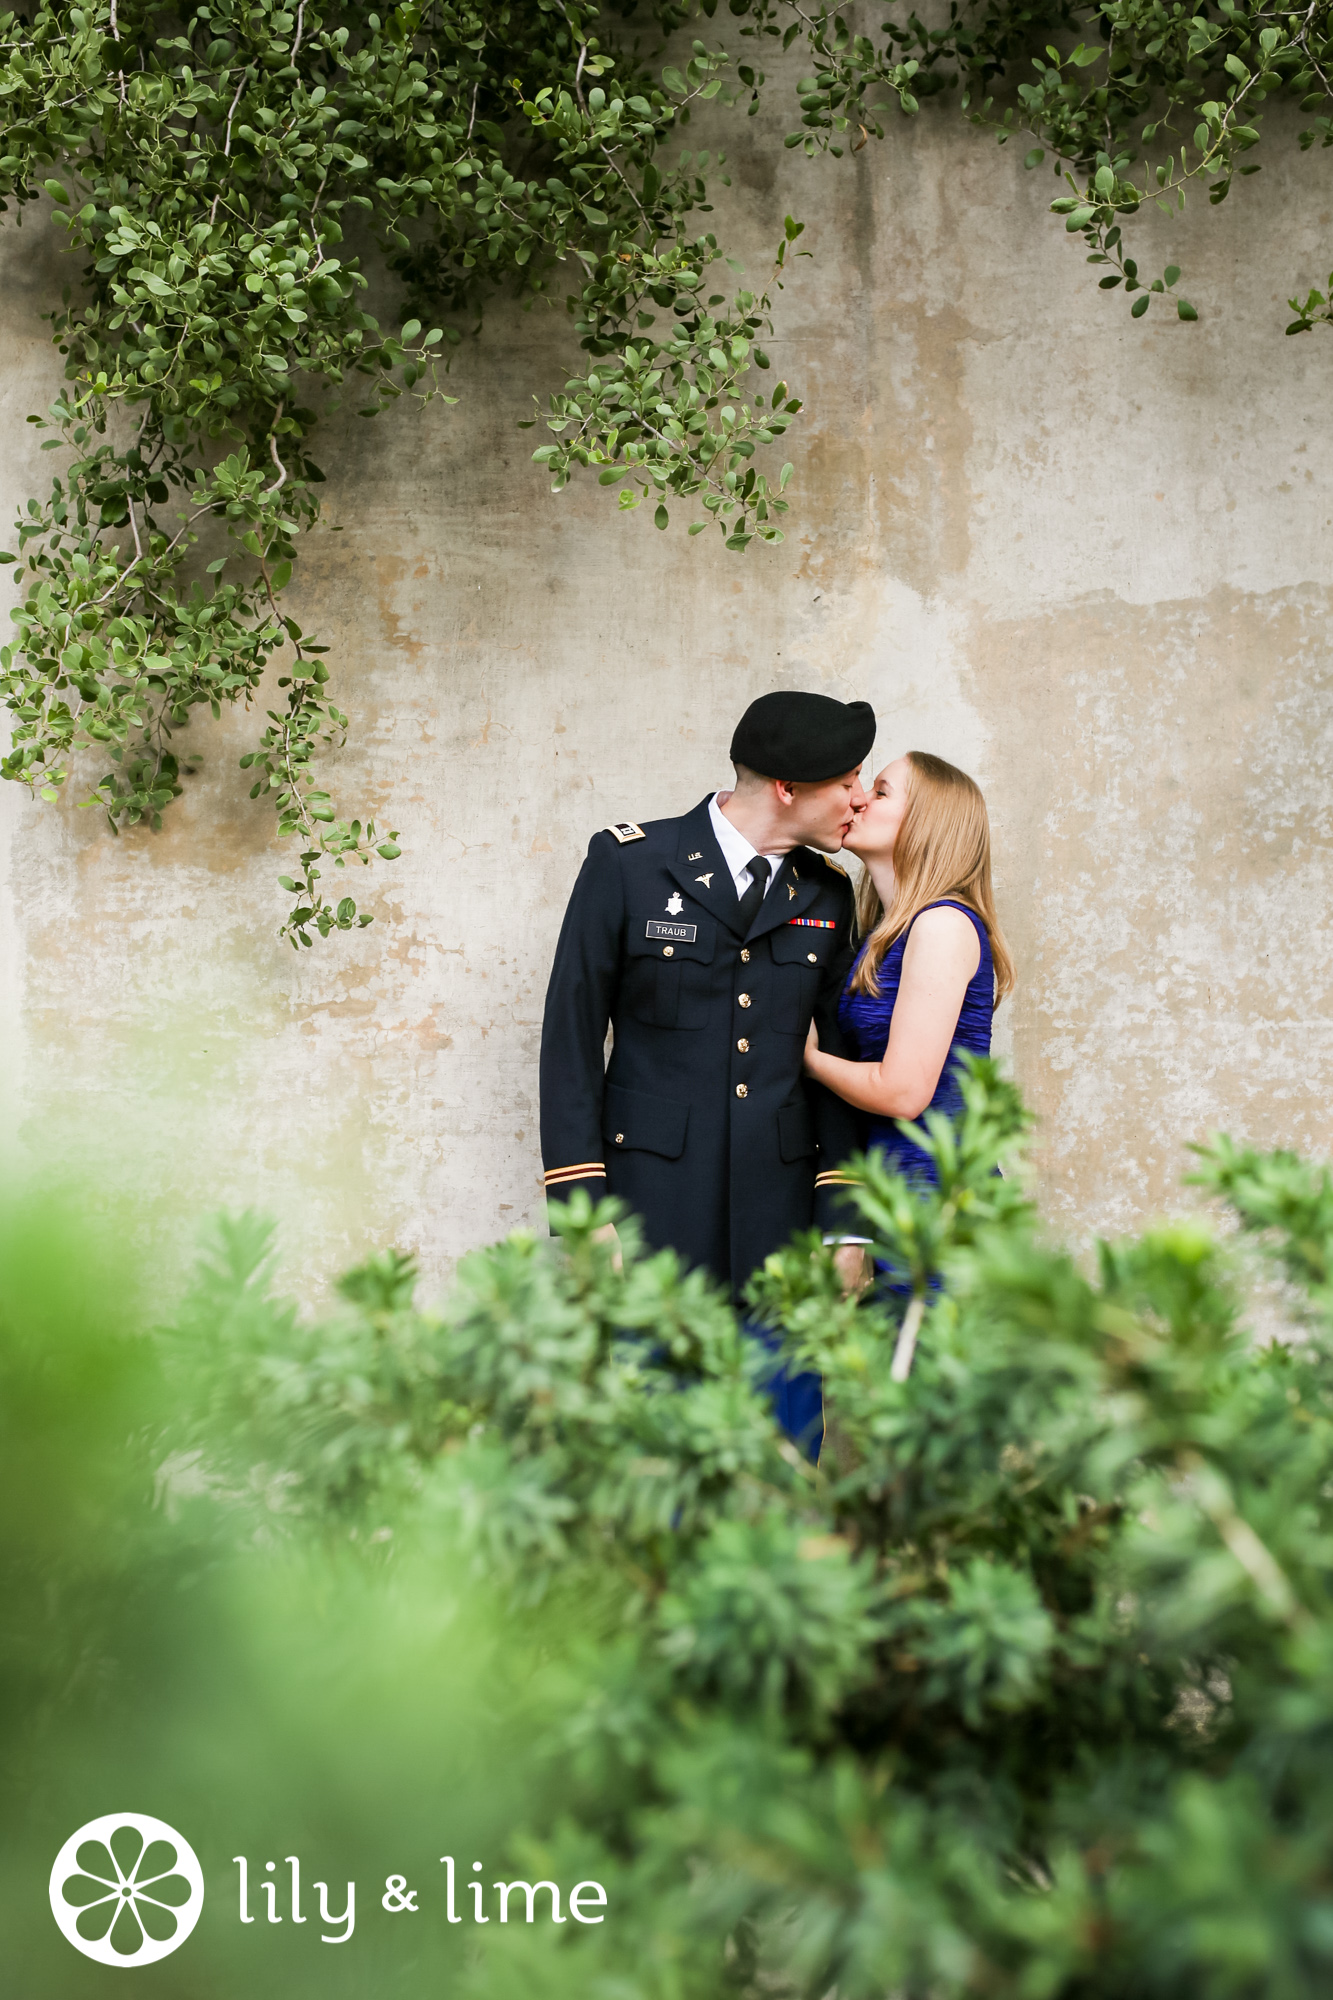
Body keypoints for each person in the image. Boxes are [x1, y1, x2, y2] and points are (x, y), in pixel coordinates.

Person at [539, 690, 877, 1453]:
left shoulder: (825, 891)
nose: (859, 797)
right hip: (651, 1214)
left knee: (781, 1454)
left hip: (781, 1221)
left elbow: (836, 1062)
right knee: (648, 1461)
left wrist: (843, 1227)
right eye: (846, 780)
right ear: (789, 789)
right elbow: (570, 1040)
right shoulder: (628, 862)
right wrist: (582, 1213)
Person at [803, 750, 1015, 1190]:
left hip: (941, 1201)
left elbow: (902, 1093)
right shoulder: (885, 933)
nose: (859, 801)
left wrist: (806, 1059)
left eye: (881, 792)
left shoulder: (942, 926)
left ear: (926, 822)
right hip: (893, 1193)